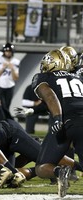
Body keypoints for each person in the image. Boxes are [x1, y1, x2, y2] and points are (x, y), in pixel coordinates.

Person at [32, 49, 83, 197]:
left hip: (66, 123)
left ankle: (59, 171)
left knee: (41, 167)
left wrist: (56, 117)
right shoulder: (77, 78)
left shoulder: (43, 77)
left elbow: (50, 96)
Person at [0, 43, 20, 119]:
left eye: (9, 51)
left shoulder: (16, 61)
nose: (8, 53)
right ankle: (5, 119)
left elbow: (16, 78)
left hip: (10, 86)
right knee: (1, 105)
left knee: (7, 106)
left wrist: (12, 69)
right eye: (6, 51)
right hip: (0, 85)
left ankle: (5, 120)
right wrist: (3, 69)